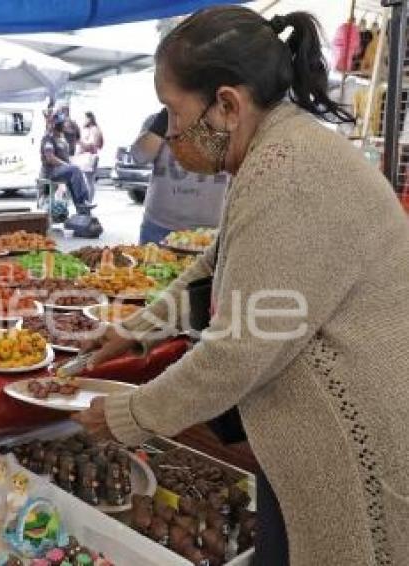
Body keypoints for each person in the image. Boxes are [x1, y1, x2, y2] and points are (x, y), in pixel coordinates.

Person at [73, 6, 409, 566]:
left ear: (227, 104)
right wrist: (136, 332)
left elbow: (239, 350)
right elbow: (216, 264)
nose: (171, 134)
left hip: (351, 442)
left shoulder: (289, 171)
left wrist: (131, 415)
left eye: (173, 113)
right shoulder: (280, 150)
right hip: (305, 441)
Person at [132, 108, 228, 244]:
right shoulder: (158, 120)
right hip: (159, 227)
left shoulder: (229, 122)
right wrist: (162, 123)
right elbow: (139, 157)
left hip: (212, 232)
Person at [40, 113, 94, 215]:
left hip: (61, 170)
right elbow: (50, 158)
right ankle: (83, 202)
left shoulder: (62, 139)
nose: (64, 126)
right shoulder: (48, 138)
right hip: (51, 171)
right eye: (62, 124)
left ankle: (81, 208)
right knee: (74, 170)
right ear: (58, 125)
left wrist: (69, 165)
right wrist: (66, 165)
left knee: (75, 176)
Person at [77, 111, 104, 202]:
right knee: (89, 181)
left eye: (84, 118)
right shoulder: (93, 129)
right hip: (90, 157)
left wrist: (80, 143)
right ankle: (88, 200)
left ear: (89, 119)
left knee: (89, 181)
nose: (83, 121)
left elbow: (92, 144)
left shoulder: (94, 130)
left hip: (90, 158)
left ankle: (88, 201)